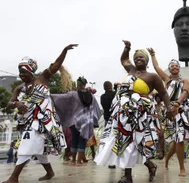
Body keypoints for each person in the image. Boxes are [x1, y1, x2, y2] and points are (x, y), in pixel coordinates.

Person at [95, 40, 174, 183]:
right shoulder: (130, 70)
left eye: (141, 57)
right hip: (123, 113)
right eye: (136, 57)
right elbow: (124, 59)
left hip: (140, 115)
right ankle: (147, 167)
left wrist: (169, 109)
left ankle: (129, 175)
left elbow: (163, 94)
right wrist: (127, 48)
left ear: (147, 61)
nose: (138, 59)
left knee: (135, 143)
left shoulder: (152, 77)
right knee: (126, 142)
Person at [4, 44, 77, 183]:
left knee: (28, 144)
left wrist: (64, 51)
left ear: (31, 71)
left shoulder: (42, 79)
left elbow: (55, 66)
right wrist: (16, 104)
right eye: (20, 73)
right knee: (38, 149)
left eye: (24, 72)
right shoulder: (19, 88)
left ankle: (14, 178)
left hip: (43, 121)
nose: (21, 75)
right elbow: (9, 104)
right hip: (26, 122)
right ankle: (50, 172)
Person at [148, 48, 189, 177]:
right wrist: (153, 55)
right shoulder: (167, 80)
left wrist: (178, 103)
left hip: (182, 111)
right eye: (171, 66)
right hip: (170, 112)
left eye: (176, 66)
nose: (174, 67)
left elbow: (184, 92)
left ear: (179, 68)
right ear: (169, 69)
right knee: (178, 139)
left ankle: (171, 161)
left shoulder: (185, 81)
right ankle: (178, 166)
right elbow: (156, 67)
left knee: (179, 140)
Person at [52, 76, 102, 166]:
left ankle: (73, 160)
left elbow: (61, 98)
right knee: (82, 141)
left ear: (78, 85)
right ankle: (79, 162)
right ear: (85, 85)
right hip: (86, 122)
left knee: (74, 140)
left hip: (74, 121)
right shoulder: (91, 96)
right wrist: (93, 121)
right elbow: (96, 109)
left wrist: (50, 96)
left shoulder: (73, 94)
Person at [154, 93, 166, 159]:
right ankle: (157, 151)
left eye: (159, 98)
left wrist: (164, 124)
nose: (157, 99)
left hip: (161, 123)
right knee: (156, 137)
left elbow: (165, 116)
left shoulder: (163, 107)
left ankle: (162, 151)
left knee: (161, 137)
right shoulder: (154, 106)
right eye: (156, 98)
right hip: (155, 123)